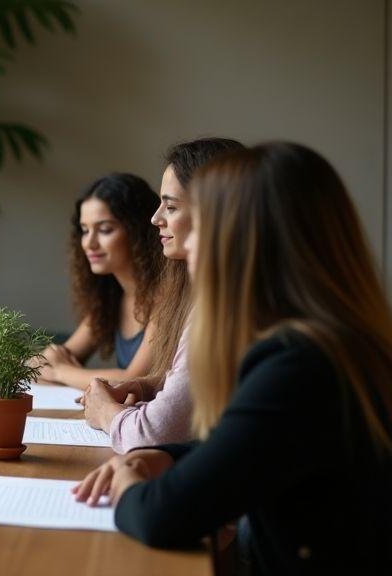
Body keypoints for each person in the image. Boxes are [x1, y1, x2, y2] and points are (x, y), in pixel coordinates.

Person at [74, 142, 392, 574]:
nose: (182, 237)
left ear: (245, 239)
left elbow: (160, 517)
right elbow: (256, 446)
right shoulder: (338, 343)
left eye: (204, 224)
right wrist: (172, 455)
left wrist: (128, 482)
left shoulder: (298, 365)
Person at [80, 138, 244, 453]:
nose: (156, 219)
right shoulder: (201, 298)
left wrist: (104, 412)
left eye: (170, 206)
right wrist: (148, 385)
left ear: (215, 215)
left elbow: (153, 433)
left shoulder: (224, 309)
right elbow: (198, 385)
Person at [37, 173, 163, 389]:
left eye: (105, 229)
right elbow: (48, 362)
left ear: (139, 231)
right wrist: (54, 366)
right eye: (85, 231)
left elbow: (134, 379)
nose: (89, 243)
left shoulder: (166, 294)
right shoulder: (112, 296)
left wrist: (61, 371)